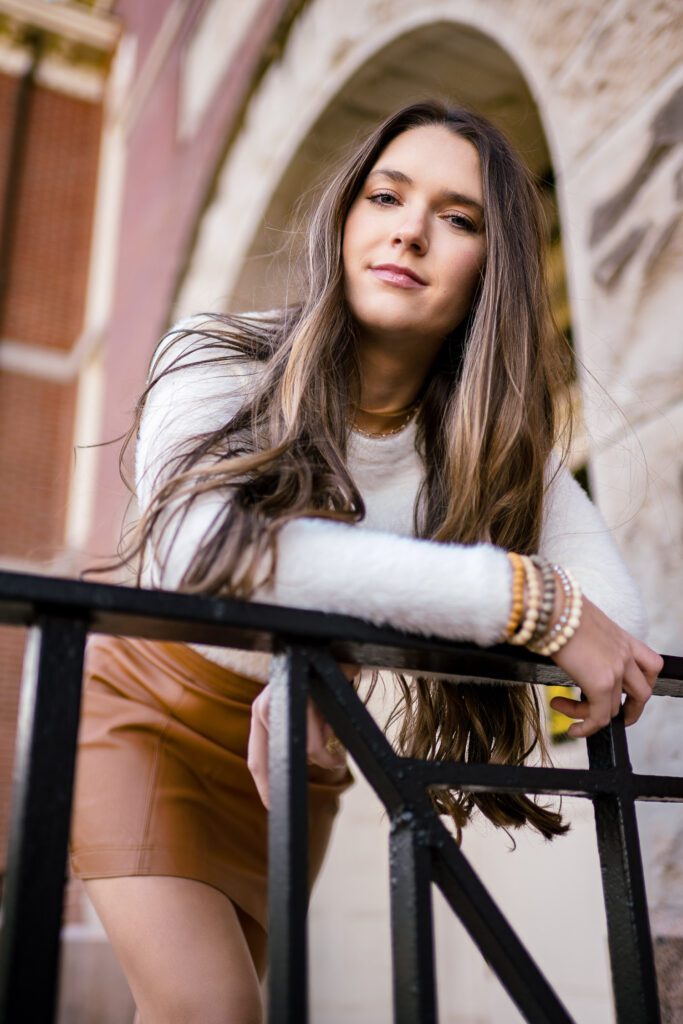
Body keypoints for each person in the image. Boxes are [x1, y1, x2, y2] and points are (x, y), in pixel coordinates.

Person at [69, 100, 663, 1024]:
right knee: (209, 1008)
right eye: (386, 195)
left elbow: (612, 620)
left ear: (491, 266)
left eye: (457, 217)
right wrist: (521, 597)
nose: (409, 231)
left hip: (301, 737)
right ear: (347, 216)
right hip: (146, 703)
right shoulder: (218, 352)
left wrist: (314, 637)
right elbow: (204, 553)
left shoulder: (492, 443)